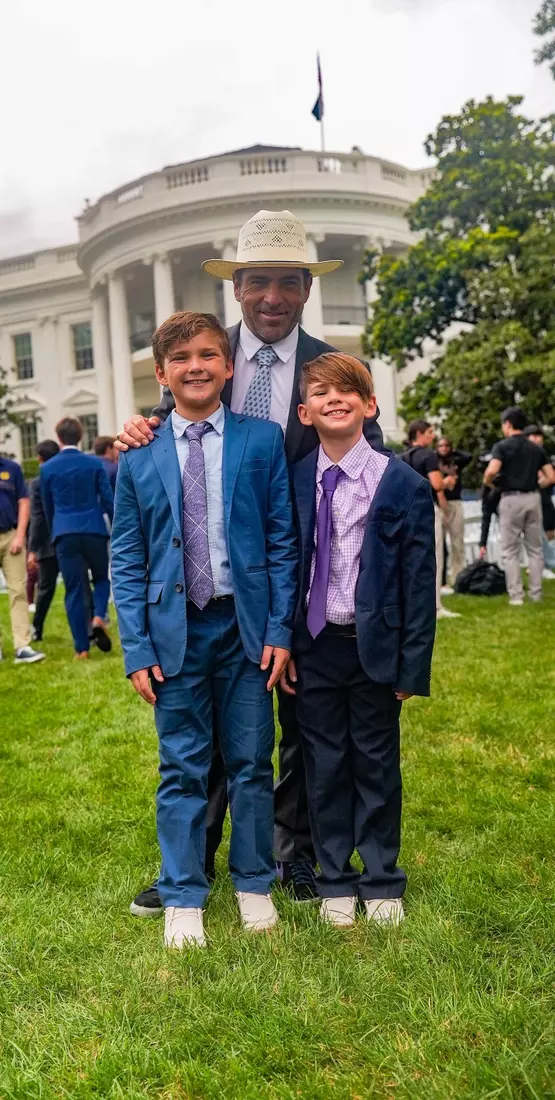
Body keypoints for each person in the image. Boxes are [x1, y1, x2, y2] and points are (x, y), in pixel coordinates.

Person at [116, 208, 385, 916]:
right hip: (219, 582)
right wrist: (141, 426)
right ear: (237, 288)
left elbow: (367, 458)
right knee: (206, 732)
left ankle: (291, 857)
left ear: (304, 287)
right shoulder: (208, 354)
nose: (272, 296)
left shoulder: (330, 365)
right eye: (258, 281)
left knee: (294, 732)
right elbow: (180, 426)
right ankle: (194, 866)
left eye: (286, 282)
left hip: (309, 582)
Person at [111, 310, 298, 949]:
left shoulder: (262, 439)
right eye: (182, 357)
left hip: (245, 629)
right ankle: (184, 892)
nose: (196, 366)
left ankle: (251, 882)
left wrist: (279, 629)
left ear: (227, 365)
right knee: (182, 765)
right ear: (162, 372)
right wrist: (135, 645)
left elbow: (281, 540)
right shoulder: (138, 456)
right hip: (174, 634)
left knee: (250, 761)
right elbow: (128, 556)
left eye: (209, 355)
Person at [281, 353, 436, 928]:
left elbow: (419, 586)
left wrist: (410, 667)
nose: (334, 398)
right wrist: (286, 643)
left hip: (375, 648)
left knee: (375, 763)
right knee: (324, 766)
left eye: (348, 390)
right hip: (313, 647)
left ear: (370, 405)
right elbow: (286, 567)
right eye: (320, 392)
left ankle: (381, 879)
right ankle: (336, 880)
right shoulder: (296, 480)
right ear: (305, 411)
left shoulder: (404, 485)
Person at [40, 417, 114, 657]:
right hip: (94, 529)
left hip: (65, 531)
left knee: (73, 589)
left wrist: (56, 530)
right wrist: (117, 526)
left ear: (59, 437)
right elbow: (108, 499)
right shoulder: (94, 464)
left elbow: (47, 506)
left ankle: (81, 648)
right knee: (102, 579)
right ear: (81, 437)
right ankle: (98, 616)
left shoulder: (47, 468)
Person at [0, 420, 45, 663]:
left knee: (19, 591)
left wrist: (20, 536)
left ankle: (22, 646)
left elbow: (23, 503)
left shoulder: (12, 468)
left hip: (11, 537)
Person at [483, 407, 555, 606]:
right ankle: (536, 593)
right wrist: (533, 484)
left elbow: (491, 471)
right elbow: (551, 477)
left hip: (510, 499)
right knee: (535, 549)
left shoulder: (502, 447)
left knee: (510, 550)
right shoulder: (536, 448)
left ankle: (516, 595)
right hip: (532, 497)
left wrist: (491, 484)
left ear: (507, 424)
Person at [402, 421, 460, 621]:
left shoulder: (402, 457)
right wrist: (447, 481)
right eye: (429, 432)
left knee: (411, 560)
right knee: (434, 558)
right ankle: (435, 606)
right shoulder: (428, 455)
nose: (432, 436)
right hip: (427, 510)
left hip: (407, 511)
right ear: (419, 434)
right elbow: (436, 484)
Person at [27, 439, 60, 642]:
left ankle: (37, 628)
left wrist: (32, 548)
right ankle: (89, 628)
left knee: (46, 588)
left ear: (39, 459)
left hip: (48, 542)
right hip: (70, 537)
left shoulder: (37, 482)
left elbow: (37, 517)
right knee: (79, 586)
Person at [436, 437, 472, 592]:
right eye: (440, 445)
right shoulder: (433, 460)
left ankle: (458, 578)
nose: (443, 448)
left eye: (446, 445)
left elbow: (468, 457)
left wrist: (453, 451)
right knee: (440, 544)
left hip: (455, 501)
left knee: (458, 541)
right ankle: (442, 581)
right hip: (439, 503)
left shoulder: (456, 460)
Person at [523, 425, 555, 580]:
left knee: (549, 533)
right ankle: (541, 566)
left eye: (538, 436)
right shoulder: (525, 454)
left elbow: (551, 477)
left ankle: (545, 563)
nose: (536, 439)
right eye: (532, 436)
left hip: (545, 499)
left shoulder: (542, 454)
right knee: (536, 535)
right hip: (530, 499)